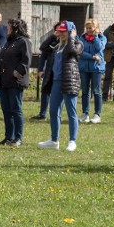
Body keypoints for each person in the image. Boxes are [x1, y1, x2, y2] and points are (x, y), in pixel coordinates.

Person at [39, 21, 84, 151]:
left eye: (64, 31)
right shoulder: (57, 46)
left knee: (71, 112)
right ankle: (54, 141)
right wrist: (54, 35)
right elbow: (43, 47)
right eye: (60, 31)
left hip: (69, 81)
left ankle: (72, 141)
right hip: (56, 82)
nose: (62, 33)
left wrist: (71, 38)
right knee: (53, 111)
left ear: (71, 32)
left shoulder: (78, 44)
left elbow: (72, 51)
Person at [0, 18, 32, 146]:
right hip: (4, 81)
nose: (7, 30)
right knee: (6, 110)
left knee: (15, 109)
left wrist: (17, 72)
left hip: (15, 82)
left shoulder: (23, 42)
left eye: (9, 27)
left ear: (16, 29)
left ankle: (18, 137)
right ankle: (8, 137)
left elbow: (26, 61)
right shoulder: (9, 42)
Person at [78, 19, 106, 124]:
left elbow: (99, 48)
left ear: (96, 28)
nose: (89, 30)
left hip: (97, 68)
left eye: (91, 28)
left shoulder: (102, 38)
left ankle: (97, 114)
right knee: (85, 91)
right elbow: (80, 51)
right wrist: (92, 57)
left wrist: (95, 37)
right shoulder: (82, 38)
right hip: (84, 68)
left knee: (96, 91)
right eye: (87, 28)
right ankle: (85, 114)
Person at [30, 24, 59, 121]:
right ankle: (42, 114)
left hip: (60, 71)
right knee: (45, 91)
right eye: (57, 30)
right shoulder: (52, 41)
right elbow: (43, 50)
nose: (59, 32)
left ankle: (56, 115)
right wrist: (40, 69)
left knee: (58, 93)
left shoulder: (68, 41)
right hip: (49, 70)